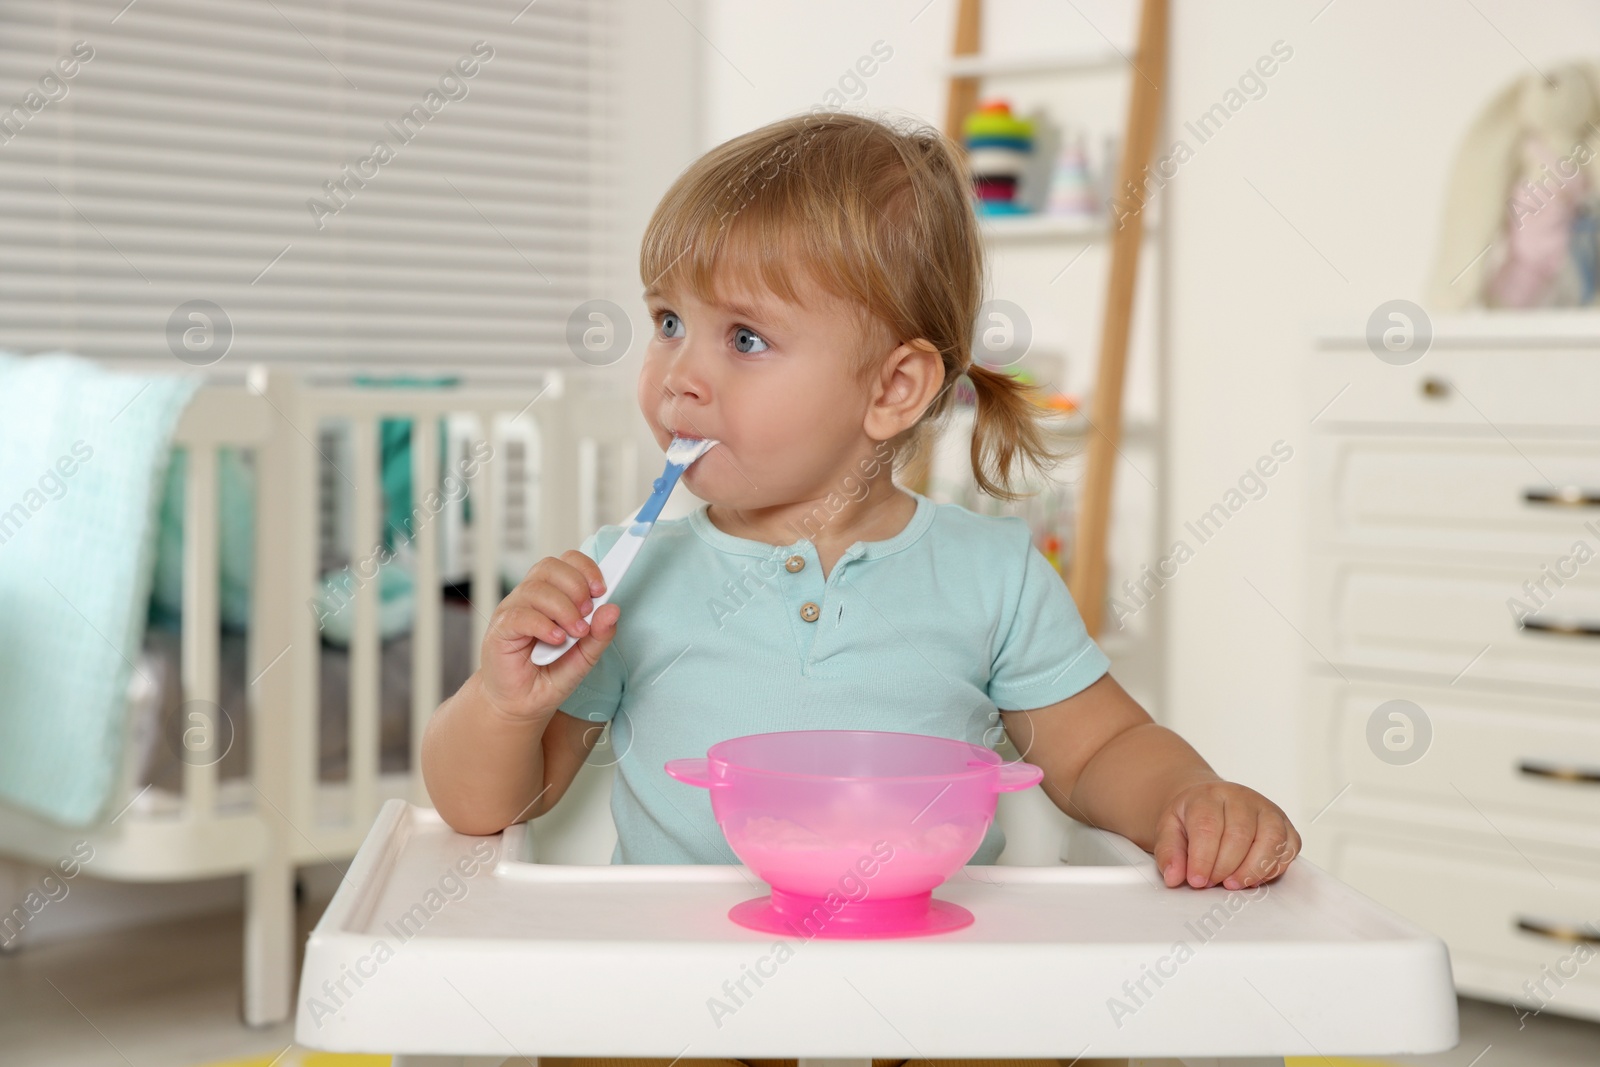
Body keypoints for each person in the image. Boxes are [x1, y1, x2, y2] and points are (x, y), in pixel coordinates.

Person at [421, 111, 1300, 1067]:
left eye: (745, 338)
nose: (680, 376)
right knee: (598, 1035)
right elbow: (483, 807)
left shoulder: (992, 572)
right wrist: (502, 705)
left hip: (928, 971)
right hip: (688, 974)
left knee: (1057, 1033)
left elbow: (1103, 750)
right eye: (668, 321)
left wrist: (1192, 799)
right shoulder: (622, 575)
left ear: (893, 389)